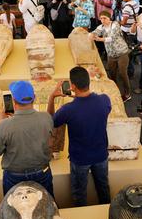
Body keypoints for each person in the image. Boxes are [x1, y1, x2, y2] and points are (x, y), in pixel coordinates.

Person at [47, 66, 111, 206]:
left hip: (80, 159)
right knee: (104, 189)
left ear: (72, 86)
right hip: (101, 155)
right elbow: (90, 104)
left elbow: (50, 121)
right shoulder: (104, 100)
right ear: (88, 81)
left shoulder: (68, 110)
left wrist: (52, 97)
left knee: (79, 193)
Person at [0, 81, 54, 196]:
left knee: (14, 211)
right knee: (46, 206)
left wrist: (1, 122)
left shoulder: (5, 125)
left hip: (14, 176)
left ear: (13, 101)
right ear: (34, 97)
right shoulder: (46, 118)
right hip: (42, 172)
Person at [90, 10, 132, 101]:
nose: (102, 20)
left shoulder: (115, 25)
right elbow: (95, 32)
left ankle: (127, 93)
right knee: (112, 74)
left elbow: (112, 38)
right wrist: (91, 35)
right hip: (111, 55)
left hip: (122, 53)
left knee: (122, 73)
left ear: (110, 18)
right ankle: (115, 91)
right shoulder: (101, 27)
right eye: (101, 18)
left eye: (105, 18)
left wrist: (99, 39)